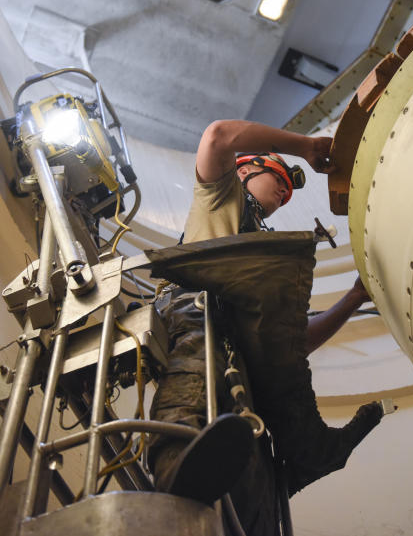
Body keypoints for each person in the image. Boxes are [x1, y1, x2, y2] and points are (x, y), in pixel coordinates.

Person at [146, 119, 384, 532]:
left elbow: (292, 345)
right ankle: (176, 463)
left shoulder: (260, 260)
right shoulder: (220, 197)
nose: (285, 192)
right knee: (195, 404)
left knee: (260, 467)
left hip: (249, 379)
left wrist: (352, 299)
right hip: (201, 326)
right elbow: (219, 136)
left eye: (288, 191)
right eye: (277, 178)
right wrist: (305, 146)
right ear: (243, 171)